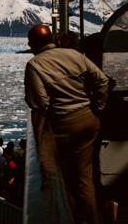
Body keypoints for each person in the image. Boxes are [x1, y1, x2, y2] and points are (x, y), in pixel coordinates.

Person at [24, 24, 110, 224]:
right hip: (88, 120)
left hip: (63, 125)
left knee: (58, 178)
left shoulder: (35, 65)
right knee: (84, 179)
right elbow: (102, 81)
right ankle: (90, 220)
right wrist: (97, 106)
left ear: (34, 44)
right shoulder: (74, 55)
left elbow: (39, 103)